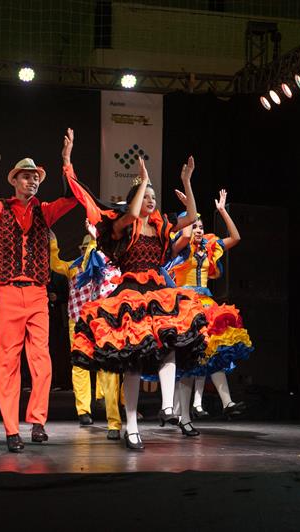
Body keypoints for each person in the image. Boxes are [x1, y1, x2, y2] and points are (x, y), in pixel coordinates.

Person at [0, 128, 92, 453]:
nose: (33, 181)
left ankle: (38, 421)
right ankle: (11, 428)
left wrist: (67, 160)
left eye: (36, 178)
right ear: (15, 180)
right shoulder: (0, 210)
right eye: (27, 177)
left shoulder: (45, 211)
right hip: (7, 293)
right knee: (8, 361)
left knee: (42, 360)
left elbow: (73, 197)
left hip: (37, 294)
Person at [70, 155, 208, 451]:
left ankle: (167, 406)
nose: (151, 200)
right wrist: (143, 180)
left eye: (153, 197)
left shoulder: (160, 227)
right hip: (130, 294)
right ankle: (131, 427)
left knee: (169, 343)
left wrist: (187, 182)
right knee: (132, 363)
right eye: (146, 196)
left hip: (157, 293)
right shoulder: (125, 226)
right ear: (135, 199)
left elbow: (191, 216)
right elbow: (132, 213)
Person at [168, 189, 253, 420]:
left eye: (201, 227)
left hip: (206, 306)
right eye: (194, 226)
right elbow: (184, 233)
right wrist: (189, 209)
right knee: (188, 358)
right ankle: (181, 415)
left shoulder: (209, 248)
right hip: (185, 307)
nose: (198, 230)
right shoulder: (180, 248)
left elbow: (235, 238)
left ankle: (227, 402)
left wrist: (223, 211)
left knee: (212, 350)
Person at [50, 224, 124, 440]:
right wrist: (53, 244)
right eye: (85, 248)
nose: (87, 251)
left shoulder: (104, 265)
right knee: (80, 366)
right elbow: (55, 263)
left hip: (100, 320)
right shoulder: (73, 267)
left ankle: (105, 400)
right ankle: (83, 410)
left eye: (91, 247)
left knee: (107, 363)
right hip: (77, 321)